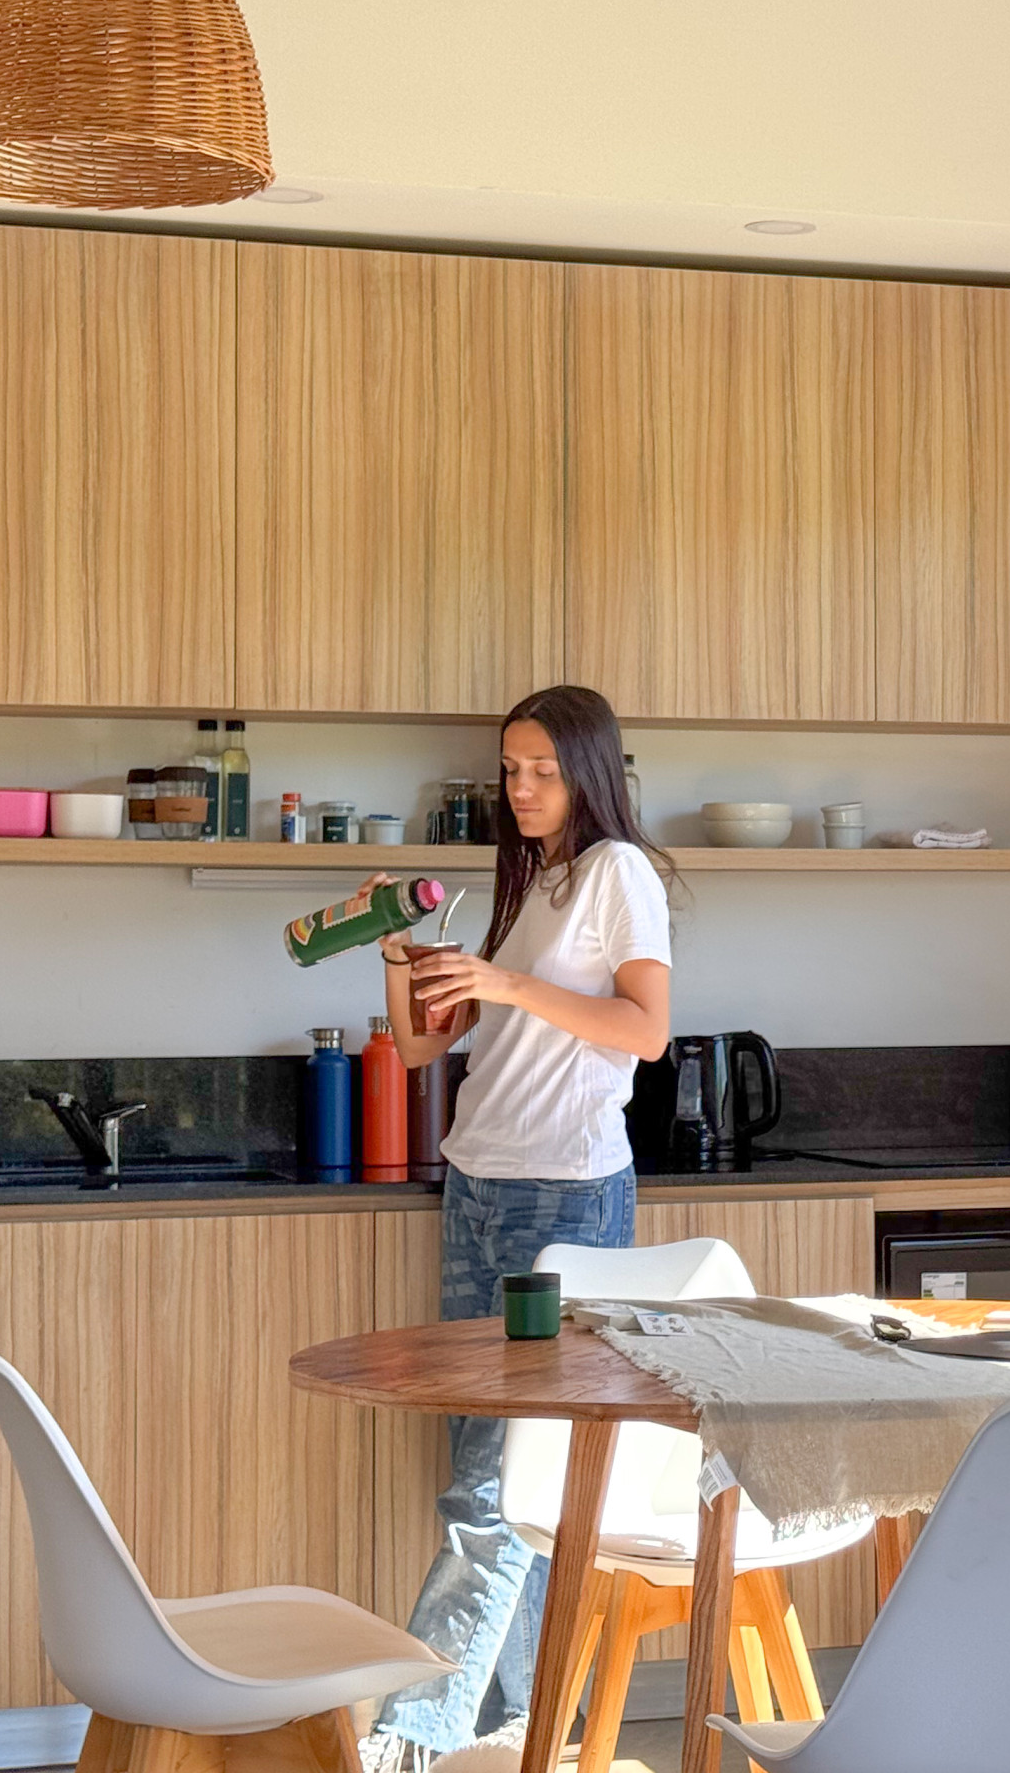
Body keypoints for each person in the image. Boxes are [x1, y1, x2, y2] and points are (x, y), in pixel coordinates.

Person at [364, 684, 674, 1768]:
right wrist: (400, 958)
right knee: (497, 1476)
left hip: (564, 1197)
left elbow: (646, 1030)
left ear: (588, 771)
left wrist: (506, 981)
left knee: (495, 1487)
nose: (522, 787)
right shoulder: (525, 881)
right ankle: (531, 1732)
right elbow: (419, 1050)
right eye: (510, 769)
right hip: (479, 1186)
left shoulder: (618, 873)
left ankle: (410, 1738)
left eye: (542, 769)